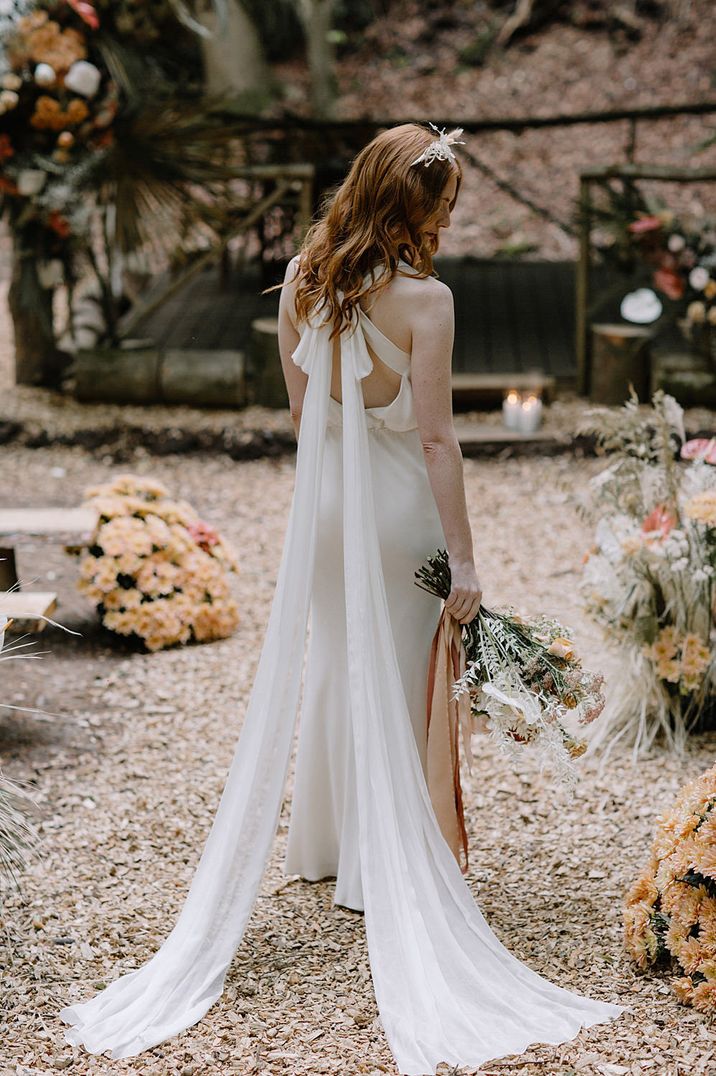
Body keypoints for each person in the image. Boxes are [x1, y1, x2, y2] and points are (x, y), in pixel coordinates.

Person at [59, 123, 628, 1074]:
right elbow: (440, 442)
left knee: (335, 656)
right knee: (404, 673)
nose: (449, 219)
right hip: (400, 508)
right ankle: (377, 866)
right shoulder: (428, 301)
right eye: (444, 203)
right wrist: (468, 560)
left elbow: (303, 416)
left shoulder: (300, 281)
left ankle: (320, 844)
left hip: (323, 510)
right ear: (417, 204)